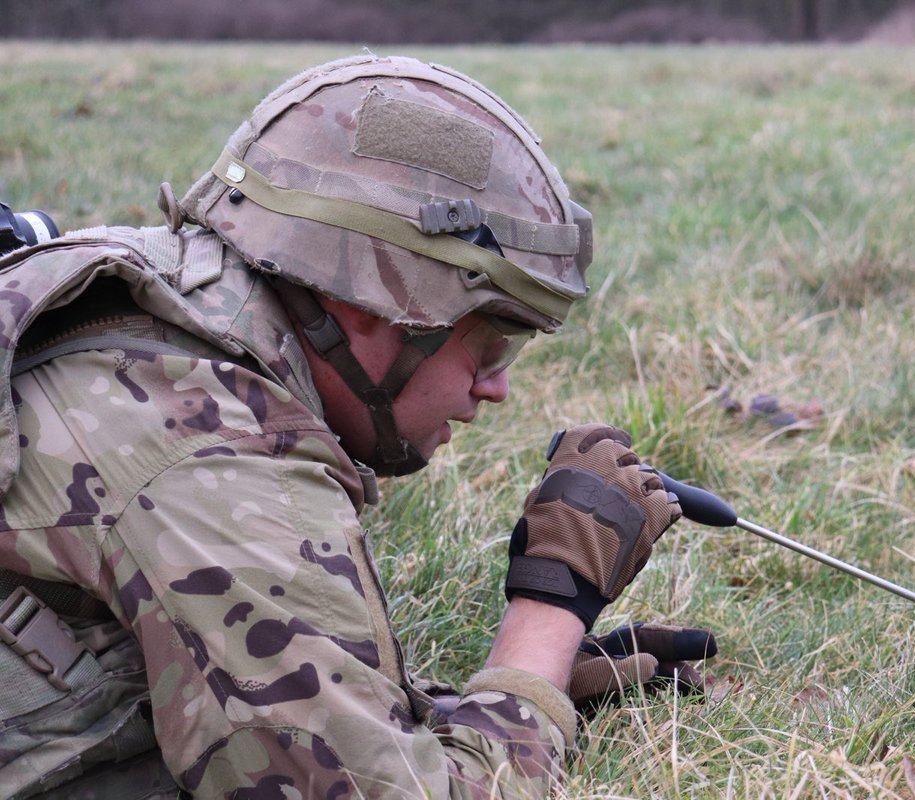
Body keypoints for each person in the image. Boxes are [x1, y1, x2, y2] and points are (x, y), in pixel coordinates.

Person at [0, 55, 713, 798]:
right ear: (381, 302)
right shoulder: (211, 457)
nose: (496, 387)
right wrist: (548, 615)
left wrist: (512, 688)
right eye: (492, 343)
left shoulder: (159, 308)